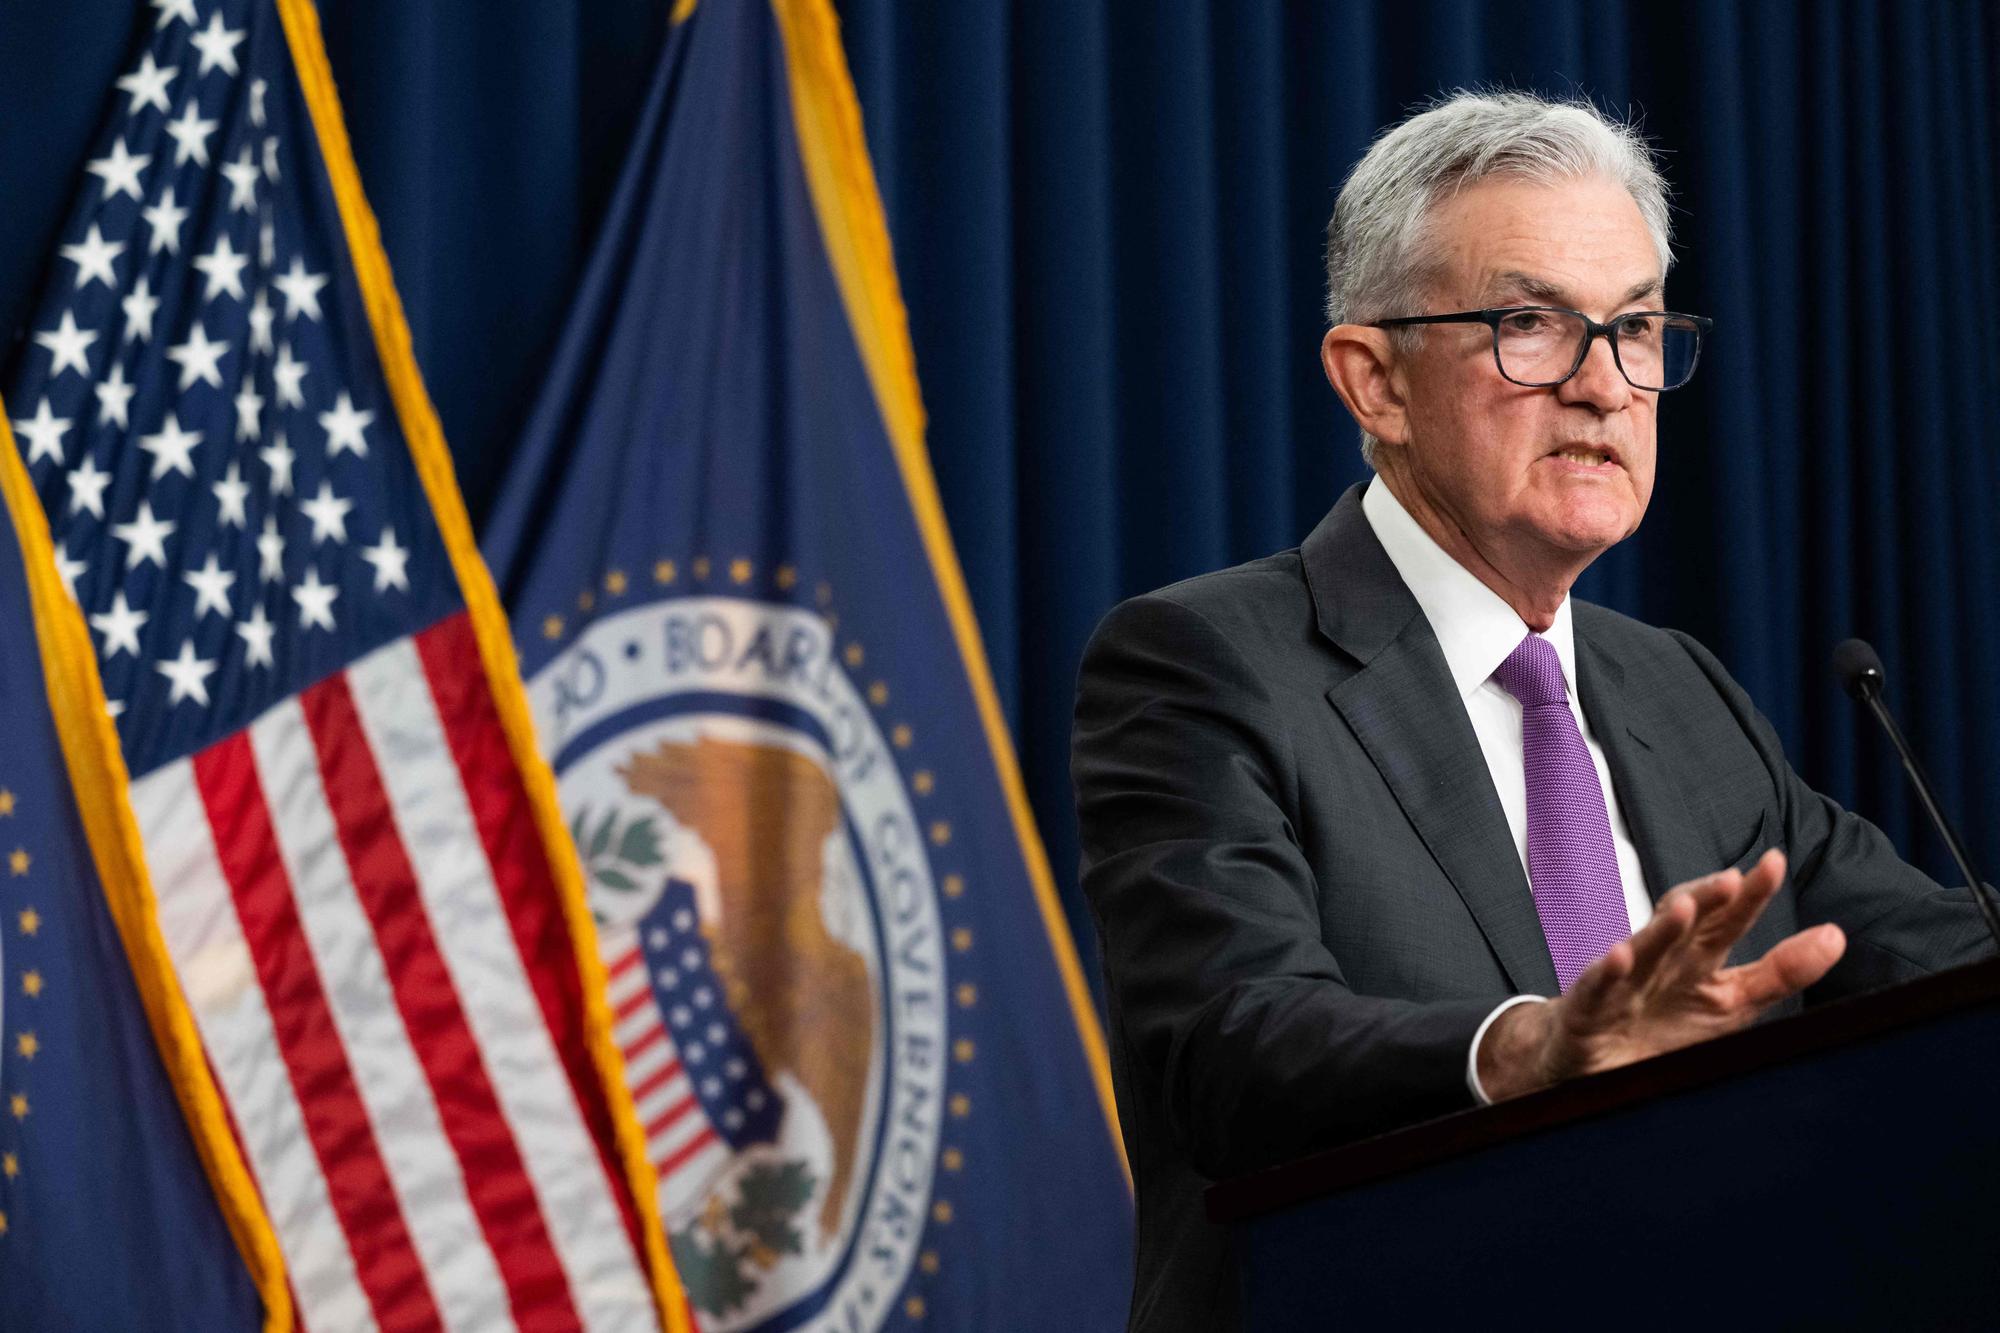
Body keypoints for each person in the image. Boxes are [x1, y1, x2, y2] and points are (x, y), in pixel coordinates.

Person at [1071, 90, 1994, 1332]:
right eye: (1528, 326)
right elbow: (1233, 1047)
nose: (1604, 387)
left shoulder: (1681, 689)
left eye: (1634, 330)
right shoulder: (1202, 662)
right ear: (1374, 382)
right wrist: (1524, 1050)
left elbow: (1938, 961)